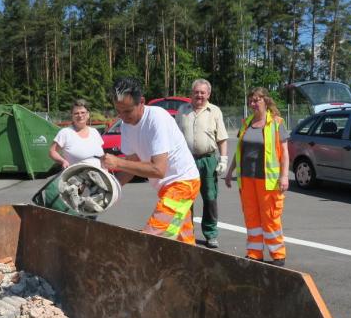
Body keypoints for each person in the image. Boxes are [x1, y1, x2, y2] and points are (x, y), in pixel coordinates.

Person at [101, 77, 201, 245]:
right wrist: (110, 189)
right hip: (167, 187)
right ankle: (192, 269)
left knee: (152, 237)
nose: (123, 117)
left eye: (127, 111)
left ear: (141, 102)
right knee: (181, 240)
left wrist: (117, 163)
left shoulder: (157, 118)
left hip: (183, 184)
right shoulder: (126, 126)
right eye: (118, 111)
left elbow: (158, 169)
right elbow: (132, 163)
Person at [224, 87, 290, 266]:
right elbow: (240, 150)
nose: (252, 104)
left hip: (268, 180)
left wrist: (284, 176)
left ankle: (278, 255)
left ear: (265, 101)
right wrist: (230, 171)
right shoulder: (246, 123)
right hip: (246, 179)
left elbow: (284, 152)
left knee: (270, 217)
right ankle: (254, 253)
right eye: (250, 101)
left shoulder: (276, 123)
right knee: (251, 217)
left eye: (256, 100)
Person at [175, 79, 228, 248]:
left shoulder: (215, 111)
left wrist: (223, 160)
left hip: (208, 160)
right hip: (186, 161)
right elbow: (174, 137)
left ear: (208, 94)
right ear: (191, 93)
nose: (199, 95)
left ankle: (211, 233)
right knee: (185, 199)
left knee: (210, 198)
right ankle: (186, 234)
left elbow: (222, 138)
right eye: (196, 92)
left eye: (202, 92)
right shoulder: (182, 111)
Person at [49, 99, 105, 169]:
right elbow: (52, 151)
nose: (80, 115)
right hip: (76, 176)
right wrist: (63, 161)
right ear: (72, 116)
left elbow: (102, 154)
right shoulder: (65, 132)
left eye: (83, 112)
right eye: (76, 113)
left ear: (88, 114)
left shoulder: (94, 132)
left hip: (99, 175)